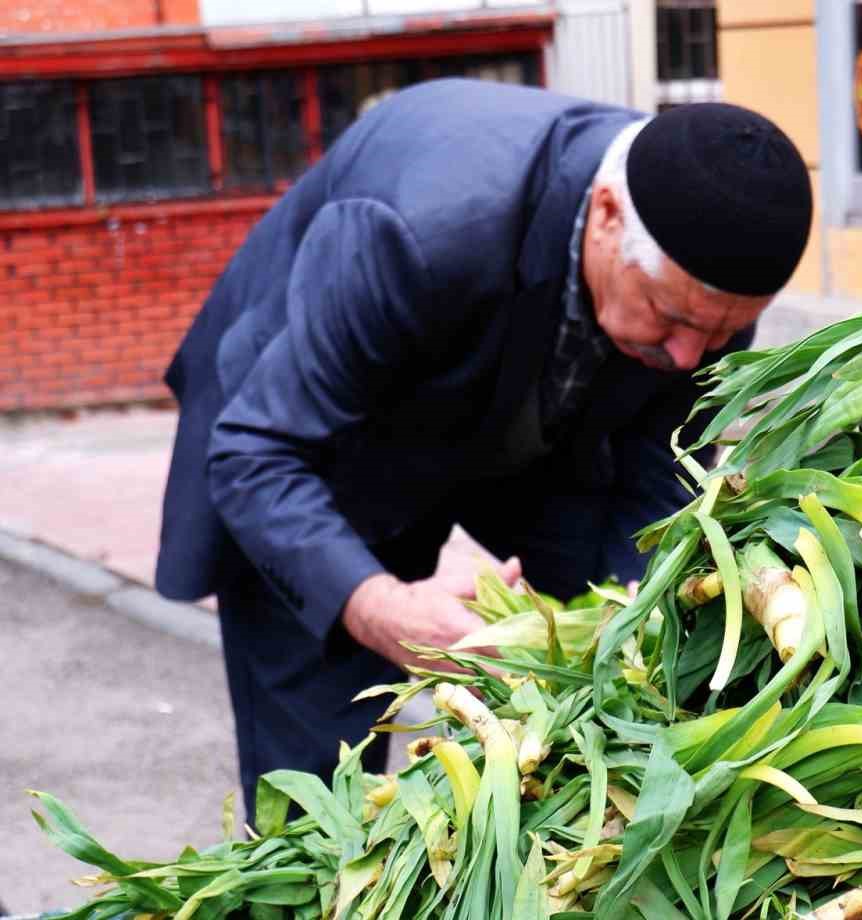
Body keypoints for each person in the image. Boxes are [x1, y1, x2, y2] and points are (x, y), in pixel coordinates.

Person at [151, 80, 813, 820]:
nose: (691, 356)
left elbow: (662, 467)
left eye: (722, 333)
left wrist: (636, 601)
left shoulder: (697, 278)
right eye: (672, 318)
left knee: (618, 678)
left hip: (531, 423)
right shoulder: (420, 230)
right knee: (320, 797)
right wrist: (381, 606)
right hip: (324, 448)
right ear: (604, 215)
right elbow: (257, 454)